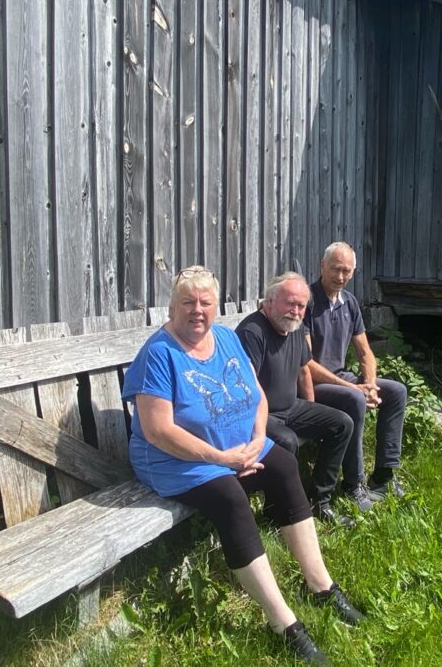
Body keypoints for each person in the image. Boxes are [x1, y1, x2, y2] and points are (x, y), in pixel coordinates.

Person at [122, 266, 363, 665]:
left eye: (206, 302)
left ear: (216, 307)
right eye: (188, 302)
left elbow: (258, 396)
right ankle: (283, 622)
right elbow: (158, 431)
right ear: (172, 306)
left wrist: (255, 441)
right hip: (176, 460)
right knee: (230, 497)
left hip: (236, 445)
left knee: (284, 465)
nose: (197, 310)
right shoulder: (159, 355)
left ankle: (320, 585)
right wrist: (222, 459)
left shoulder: (226, 338)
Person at [235, 273, 359, 526]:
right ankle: (278, 512)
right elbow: (247, 389)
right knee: (286, 440)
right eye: (290, 303)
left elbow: (304, 371)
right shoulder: (252, 331)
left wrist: (313, 408)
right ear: (269, 302)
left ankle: (319, 500)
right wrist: (260, 425)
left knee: (342, 423)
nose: (295, 310)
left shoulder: (295, 328)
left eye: (301, 306)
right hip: (259, 416)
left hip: (291, 407)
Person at [304, 242, 408, 501]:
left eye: (347, 271)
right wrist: (356, 389)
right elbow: (305, 364)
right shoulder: (306, 301)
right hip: (312, 385)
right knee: (354, 398)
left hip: (341, 378)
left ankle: (383, 476)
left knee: (396, 391)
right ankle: (354, 484)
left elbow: (365, 353)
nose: (340, 277)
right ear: (322, 266)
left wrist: (370, 385)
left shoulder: (348, 302)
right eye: (335, 269)